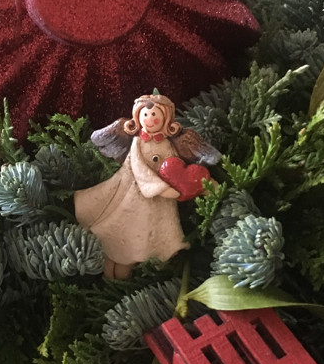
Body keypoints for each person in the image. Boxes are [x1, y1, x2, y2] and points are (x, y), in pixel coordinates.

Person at [75, 93, 219, 278]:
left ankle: (139, 269)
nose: (150, 119)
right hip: (137, 195)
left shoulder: (168, 144)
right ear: (138, 117)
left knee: (151, 235)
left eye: (154, 115)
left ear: (166, 118)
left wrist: (197, 183)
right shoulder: (138, 142)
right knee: (126, 230)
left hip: (160, 204)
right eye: (146, 114)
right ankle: (115, 270)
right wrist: (161, 188)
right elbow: (138, 167)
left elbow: (175, 166)